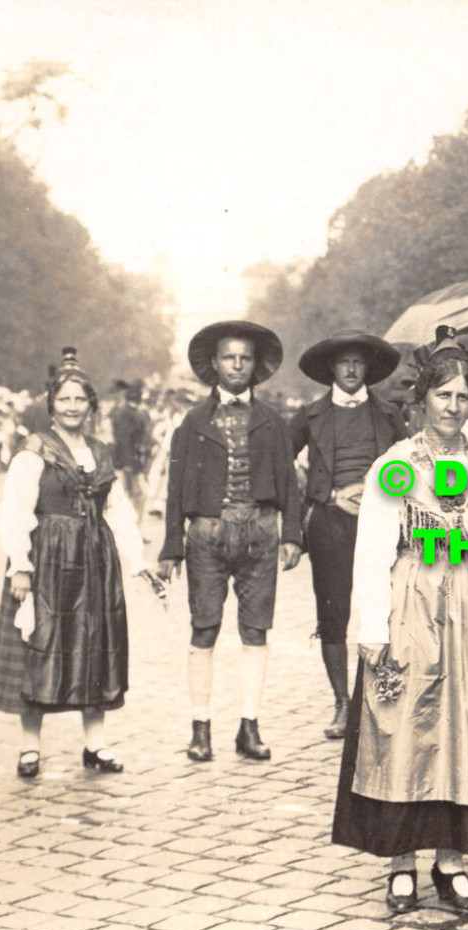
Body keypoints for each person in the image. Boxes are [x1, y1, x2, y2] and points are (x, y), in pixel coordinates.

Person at [333, 341, 468, 915]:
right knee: (407, 726)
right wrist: (372, 626)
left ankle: (452, 861)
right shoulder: (395, 464)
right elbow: (371, 551)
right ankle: (401, 864)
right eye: (442, 395)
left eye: (463, 397)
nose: (452, 406)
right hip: (413, 601)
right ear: (421, 400)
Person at [0, 356, 157, 777]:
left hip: (95, 564)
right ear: (51, 404)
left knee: (95, 646)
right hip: (48, 560)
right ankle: (30, 749)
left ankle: (95, 745)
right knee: (39, 645)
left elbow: (117, 510)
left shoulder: (100, 452)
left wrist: (137, 560)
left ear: (91, 405)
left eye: (80, 399)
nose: (72, 406)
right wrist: (20, 566)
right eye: (63, 399)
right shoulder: (34, 451)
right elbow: (15, 509)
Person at [158, 320, 303, 763]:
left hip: (261, 530)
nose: (237, 365)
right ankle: (200, 728)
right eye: (228, 357)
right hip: (206, 532)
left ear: (256, 366)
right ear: (214, 364)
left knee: (255, 629)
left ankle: (249, 725)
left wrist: (292, 535)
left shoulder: (273, 422)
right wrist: (171, 545)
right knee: (204, 627)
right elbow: (176, 484)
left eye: (244, 358)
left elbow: (289, 484)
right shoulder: (193, 421)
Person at [290, 329, 409, 739]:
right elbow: (280, 466)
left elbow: (412, 465)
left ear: (368, 369)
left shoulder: (390, 414)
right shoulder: (308, 416)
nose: (352, 369)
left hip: (383, 522)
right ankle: (342, 703)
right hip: (330, 524)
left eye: (358, 362)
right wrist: (305, 514)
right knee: (333, 613)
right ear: (331, 369)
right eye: (344, 362)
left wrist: (382, 493)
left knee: (389, 609)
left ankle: (382, 698)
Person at [110, 380, 153, 514]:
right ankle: (133, 531)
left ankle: (134, 531)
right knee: (134, 496)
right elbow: (124, 440)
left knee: (136, 496)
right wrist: (128, 464)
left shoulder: (128, 412)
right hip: (128, 462)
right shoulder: (127, 414)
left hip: (130, 461)